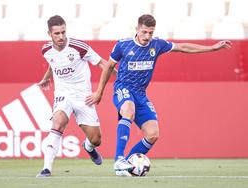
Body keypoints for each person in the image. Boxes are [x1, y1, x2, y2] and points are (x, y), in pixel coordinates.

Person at [85, 14, 232, 176]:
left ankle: (125, 165)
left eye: (150, 32)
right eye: (144, 32)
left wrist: (212, 48)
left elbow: (183, 47)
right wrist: (99, 92)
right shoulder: (123, 45)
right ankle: (119, 159)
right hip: (123, 88)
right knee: (129, 110)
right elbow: (108, 67)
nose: (147, 36)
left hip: (140, 94)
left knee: (153, 134)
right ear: (137, 29)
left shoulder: (157, 44)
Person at [36, 15, 107, 177]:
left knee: (96, 140)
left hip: (84, 97)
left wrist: (101, 91)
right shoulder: (46, 50)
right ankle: (46, 168)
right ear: (49, 34)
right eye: (56, 34)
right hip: (63, 94)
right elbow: (53, 62)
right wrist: (47, 77)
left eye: (63, 32)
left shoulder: (79, 47)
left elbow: (104, 64)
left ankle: (88, 147)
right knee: (58, 121)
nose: (61, 37)